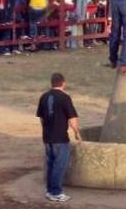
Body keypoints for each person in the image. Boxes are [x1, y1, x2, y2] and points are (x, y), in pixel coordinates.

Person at [36, 72, 81, 203]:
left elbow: (42, 118)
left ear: (52, 83)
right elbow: (72, 118)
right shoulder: (65, 97)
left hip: (47, 137)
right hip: (60, 137)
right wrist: (77, 133)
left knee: (50, 164)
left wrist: (46, 130)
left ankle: (50, 191)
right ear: (63, 83)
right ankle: (56, 192)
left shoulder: (43, 97)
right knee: (59, 166)